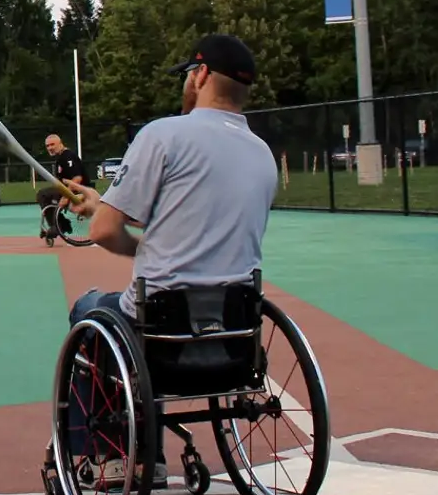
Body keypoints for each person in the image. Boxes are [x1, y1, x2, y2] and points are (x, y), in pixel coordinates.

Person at [62, 33, 277, 323]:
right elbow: (187, 216)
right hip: (234, 317)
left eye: (187, 75)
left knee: (86, 305)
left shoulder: (162, 135)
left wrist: (143, 247)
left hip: (162, 315)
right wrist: (103, 204)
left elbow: (102, 231)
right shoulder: (263, 154)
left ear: (201, 75)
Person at [37, 134, 90, 238]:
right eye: (47, 146)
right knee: (44, 196)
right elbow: (59, 182)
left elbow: (77, 178)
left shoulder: (68, 156)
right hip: (70, 190)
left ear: (60, 143)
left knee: (43, 195)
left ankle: (59, 225)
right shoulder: (60, 159)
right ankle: (60, 224)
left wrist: (66, 196)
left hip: (81, 190)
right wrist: (45, 207)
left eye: (52, 144)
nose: (50, 148)